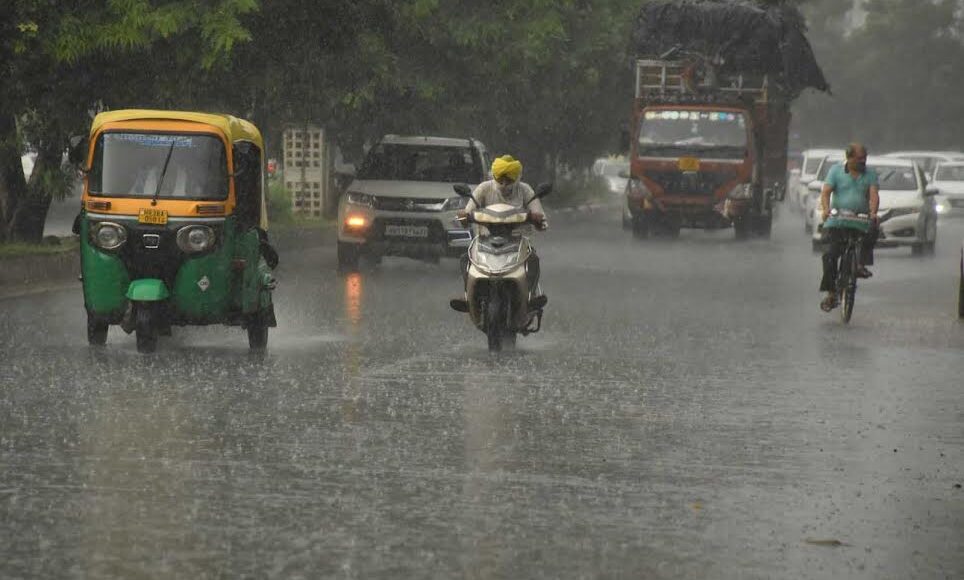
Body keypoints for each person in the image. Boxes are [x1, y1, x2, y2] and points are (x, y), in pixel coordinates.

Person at [457, 154, 547, 297]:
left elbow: (541, 220)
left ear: (517, 178)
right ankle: (468, 296)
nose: (504, 184)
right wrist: (464, 216)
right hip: (485, 241)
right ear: (494, 176)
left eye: (509, 180)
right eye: (501, 179)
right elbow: (467, 213)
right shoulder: (483, 189)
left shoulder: (525, 190)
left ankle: (531, 297)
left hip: (518, 242)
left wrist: (538, 219)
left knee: (533, 260)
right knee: (465, 258)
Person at [818, 142, 880, 312]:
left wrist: (873, 212)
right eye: (859, 159)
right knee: (830, 255)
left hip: (860, 221)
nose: (863, 162)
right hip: (837, 221)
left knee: (874, 229)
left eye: (865, 159)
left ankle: (860, 264)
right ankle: (831, 293)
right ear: (849, 157)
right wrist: (826, 210)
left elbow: (874, 194)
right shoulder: (836, 171)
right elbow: (826, 192)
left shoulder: (870, 174)